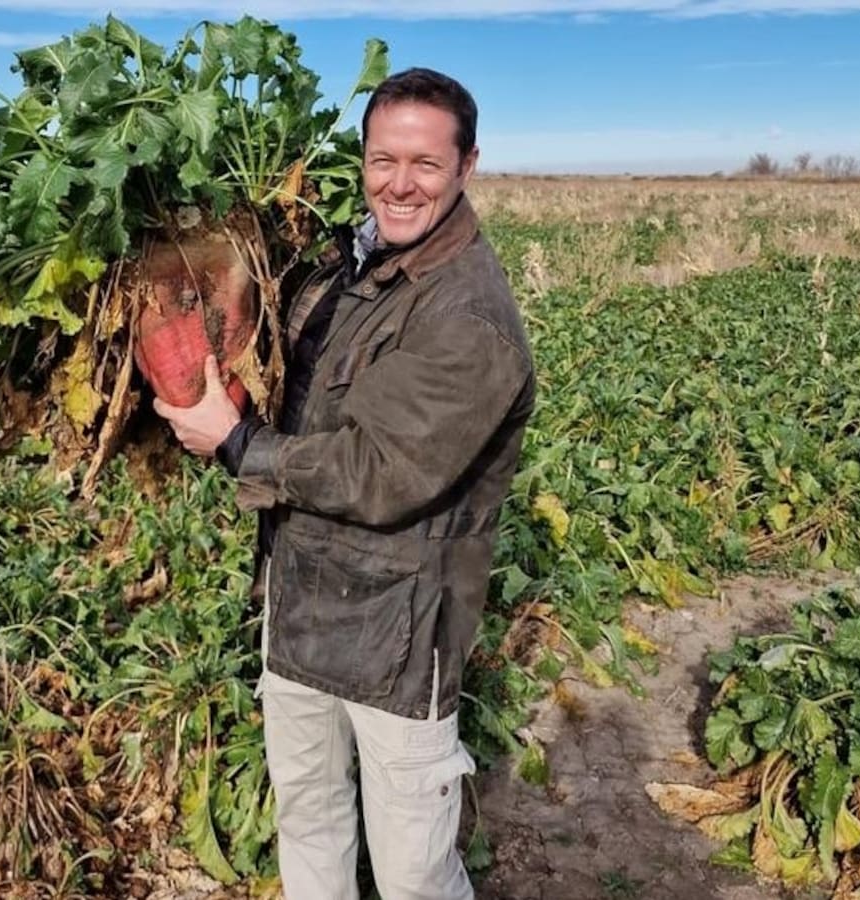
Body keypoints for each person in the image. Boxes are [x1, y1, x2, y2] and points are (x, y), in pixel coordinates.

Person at [154, 67, 536, 900]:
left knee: (413, 878)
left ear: (468, 165)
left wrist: (238, 445)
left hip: (396, 641)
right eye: (382, 160)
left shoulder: (468, 317)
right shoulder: (348, 264)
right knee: (310, 825)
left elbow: (380, 471)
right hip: (300, 609)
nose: (399, 184)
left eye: (426, 164)